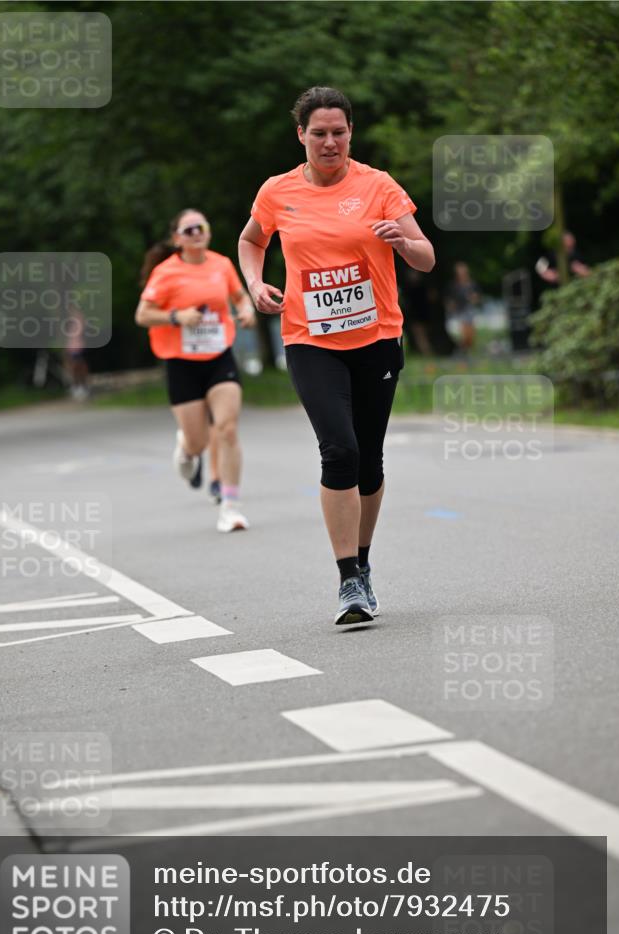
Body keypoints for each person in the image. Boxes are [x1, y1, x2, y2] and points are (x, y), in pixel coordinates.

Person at [238, 86, 434, 625]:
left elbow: (426, 257)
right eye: (320, 133)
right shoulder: (277, 191)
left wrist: (402, 242)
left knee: (369, 460)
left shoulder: (378, 186)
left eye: (339, 132)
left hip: (376, 338)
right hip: (310, 340)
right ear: (301, 134)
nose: (330, 142)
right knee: (339, 451)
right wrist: (254, 283)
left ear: (351, 133)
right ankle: (348, 578)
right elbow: (252, 240)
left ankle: (363, 562)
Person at [136, 209, 255, 532]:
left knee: (227, 429)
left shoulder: (221, 264)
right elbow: (143, 314)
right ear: (177, 239)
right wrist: (177, 317)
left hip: (219, 356)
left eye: (201, 227)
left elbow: (239, 296)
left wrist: (246, 310)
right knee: (198, 442)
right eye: (189, 230)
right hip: (182, 362)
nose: (197, 233)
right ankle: (187, 449)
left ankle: (230, 507)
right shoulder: (166, 273)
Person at [445, 262, 481, 352]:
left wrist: (473, 298)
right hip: (458, 311)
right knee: (464, 333)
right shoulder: (453, 285)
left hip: (470, 310)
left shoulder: (472, 284)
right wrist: (450, 306)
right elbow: (449, 299)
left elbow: (477, 298)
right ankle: (461, 351)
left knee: (471, 335)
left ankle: (465, 350)